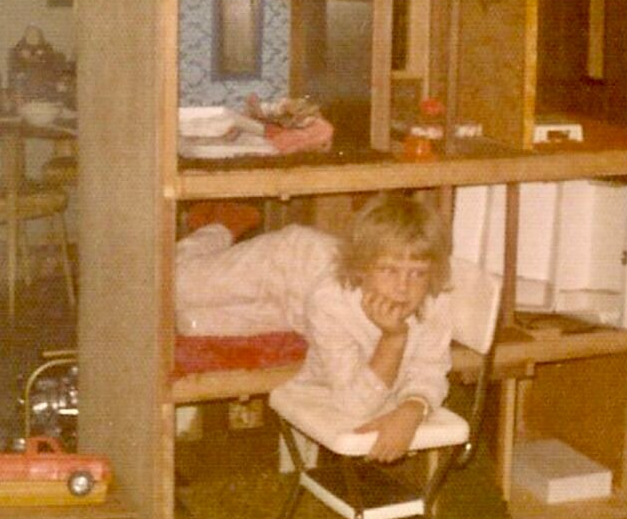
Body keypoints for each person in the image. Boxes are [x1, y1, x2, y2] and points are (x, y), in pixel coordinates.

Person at [174, 193, 454, 462]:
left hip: (295, 313)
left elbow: (428, 369)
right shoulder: (332, 299)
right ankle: (221, 224)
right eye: (389, 270)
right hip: (285, 265)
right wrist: (393, 340)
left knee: (190, 323)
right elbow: (358, 404)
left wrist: (412, 409)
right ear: (363, 267)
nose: (403, 287)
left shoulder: (435, 301)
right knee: (176, 286)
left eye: (417, 273)